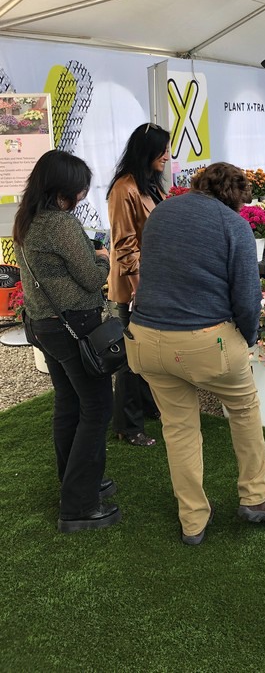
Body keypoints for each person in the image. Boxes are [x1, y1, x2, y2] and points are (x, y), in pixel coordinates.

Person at [124, 162, 265, 545]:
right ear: (237, 197)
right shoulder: (234, 225)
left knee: (178, 429)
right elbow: (247, 299)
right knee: (244, 409)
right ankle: (255, 496)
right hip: (206, 342)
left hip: (145, 339)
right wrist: (247, 340)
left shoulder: (161, 212)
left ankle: (192, 521)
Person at [15, 150, 119, 532]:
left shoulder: (27, 219)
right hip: (74, 326)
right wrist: (103, 257)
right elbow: (91, 279)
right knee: (97, 407)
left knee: (69, 403)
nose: (82, 195)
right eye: (80, 189)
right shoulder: (60, 224)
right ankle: (78, 505)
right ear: (63, 190)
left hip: (45, 325)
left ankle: (74, 481)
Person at [106, 122, 169, 447]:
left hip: (151, 283)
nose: (167, 156)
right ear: (147, 152)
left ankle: (146, 406)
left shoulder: (149, 184)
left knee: (147, 352)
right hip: (133, 288)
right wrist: (138, 290)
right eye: (162, 150)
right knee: (131, 358)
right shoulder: (123, 188)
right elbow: (125, 245)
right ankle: (127, 425)